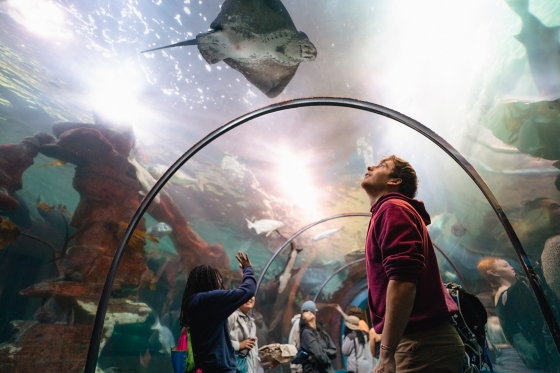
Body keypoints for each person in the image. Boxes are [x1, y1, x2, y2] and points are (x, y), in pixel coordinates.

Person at [361, 155, 464, 373]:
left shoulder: (392, 208)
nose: (370, 166)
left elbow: (403, 281)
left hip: (421, 345)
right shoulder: (389, 211)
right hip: (420, 344)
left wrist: (386, 353)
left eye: (382, 166)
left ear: (395, 181)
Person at [179, 252, 255, 372]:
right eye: (218, 278)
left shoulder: (193, 301)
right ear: (209, 281)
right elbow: (248, 290)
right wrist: (247, 269)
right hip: (219, 369)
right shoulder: (211, 300)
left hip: (203, 367)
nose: (220, 282)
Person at [477, 257, 553, 370]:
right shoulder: (509, 294)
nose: (511, 267)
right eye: (505, 266)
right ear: (493, 273)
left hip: (530, 353)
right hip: (540, 350)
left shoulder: (500, 294)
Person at [299, 300, 337, 373]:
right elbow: (320, 356)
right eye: (306, 311)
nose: (309, 312)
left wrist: (320, 353)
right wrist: (325, 356)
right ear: (302, 316)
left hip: (327, 370)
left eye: (310, 310)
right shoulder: (306, 332)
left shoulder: (322, 332)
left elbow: (334, 351)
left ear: (315, 313)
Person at [228, 296, 259, 373]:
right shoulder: (231, 316)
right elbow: (219, 342)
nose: (248, 298)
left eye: (251, 295)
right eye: (244, 295)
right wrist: (239, 345)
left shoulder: (252, 323)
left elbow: (253, 355)